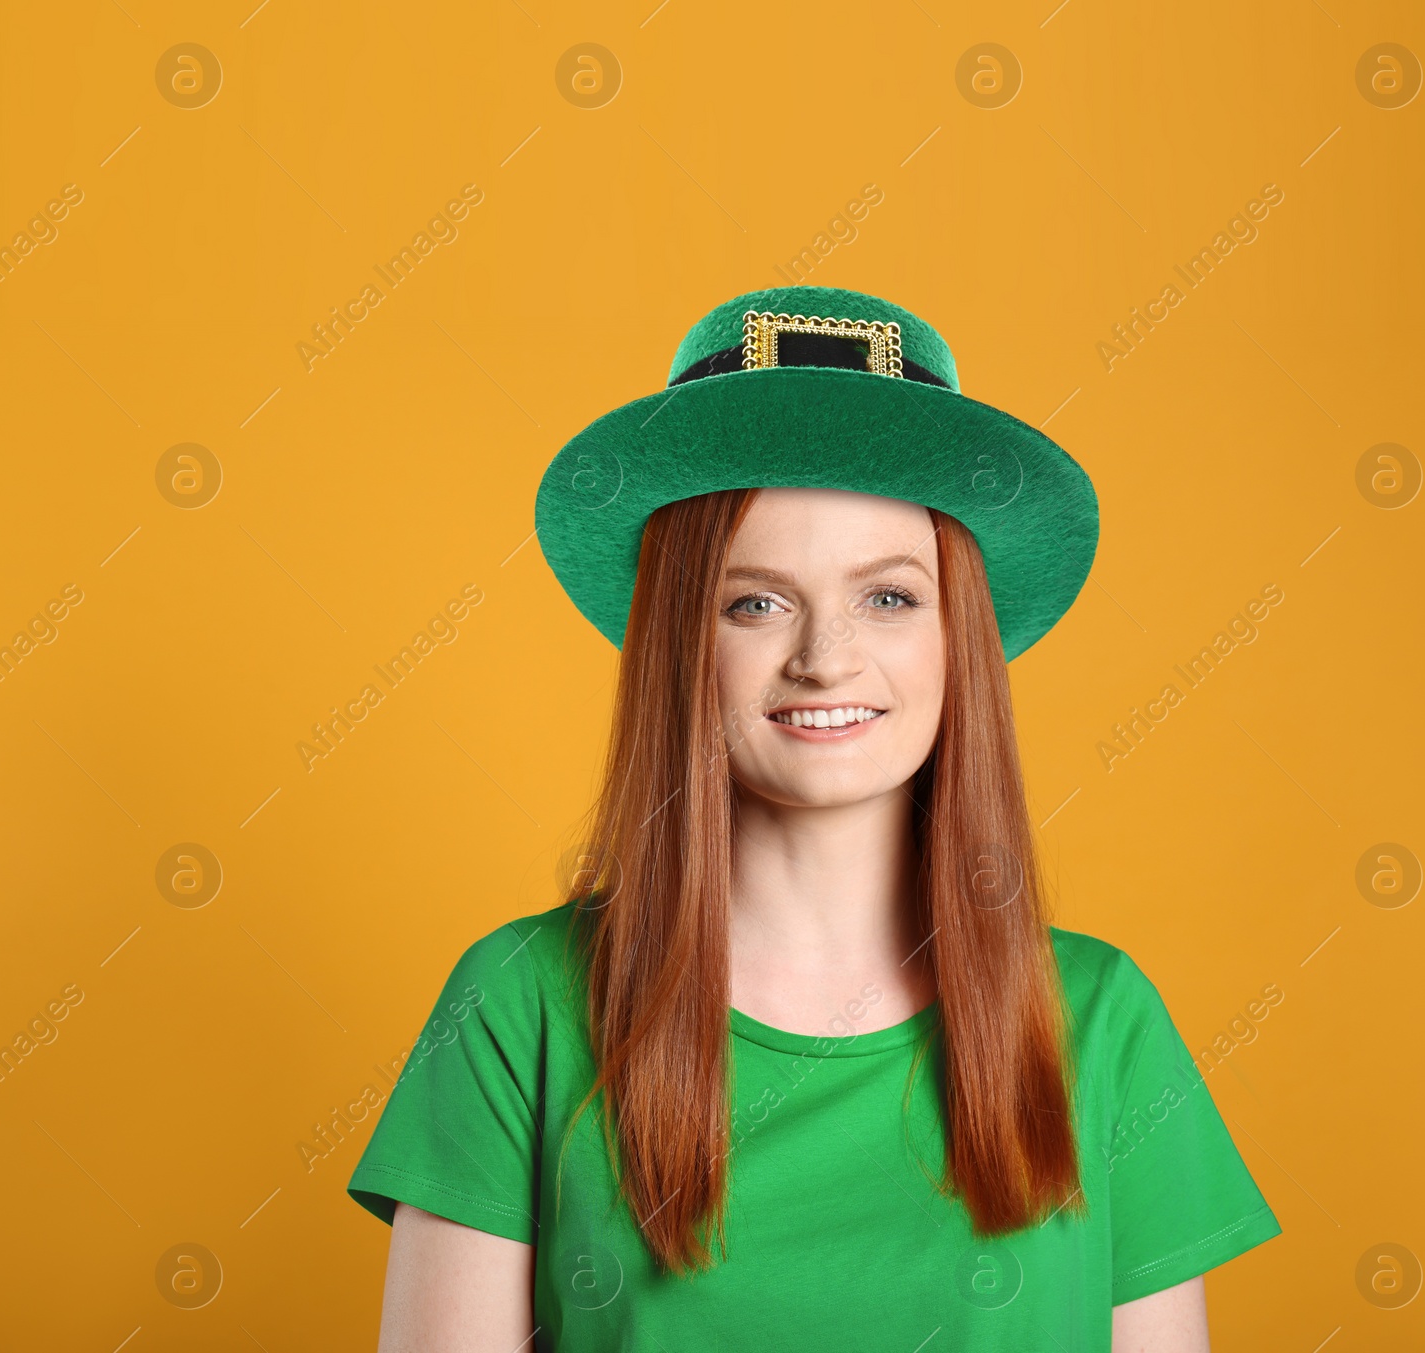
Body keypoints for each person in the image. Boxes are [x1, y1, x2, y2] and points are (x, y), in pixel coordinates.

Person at [347, 287, 1281, 1350]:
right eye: (756, 601)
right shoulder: (522, 1009)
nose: (825, 657)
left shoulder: (1100, 1022)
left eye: (888, 597)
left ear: (955, 640)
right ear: (678, 647)